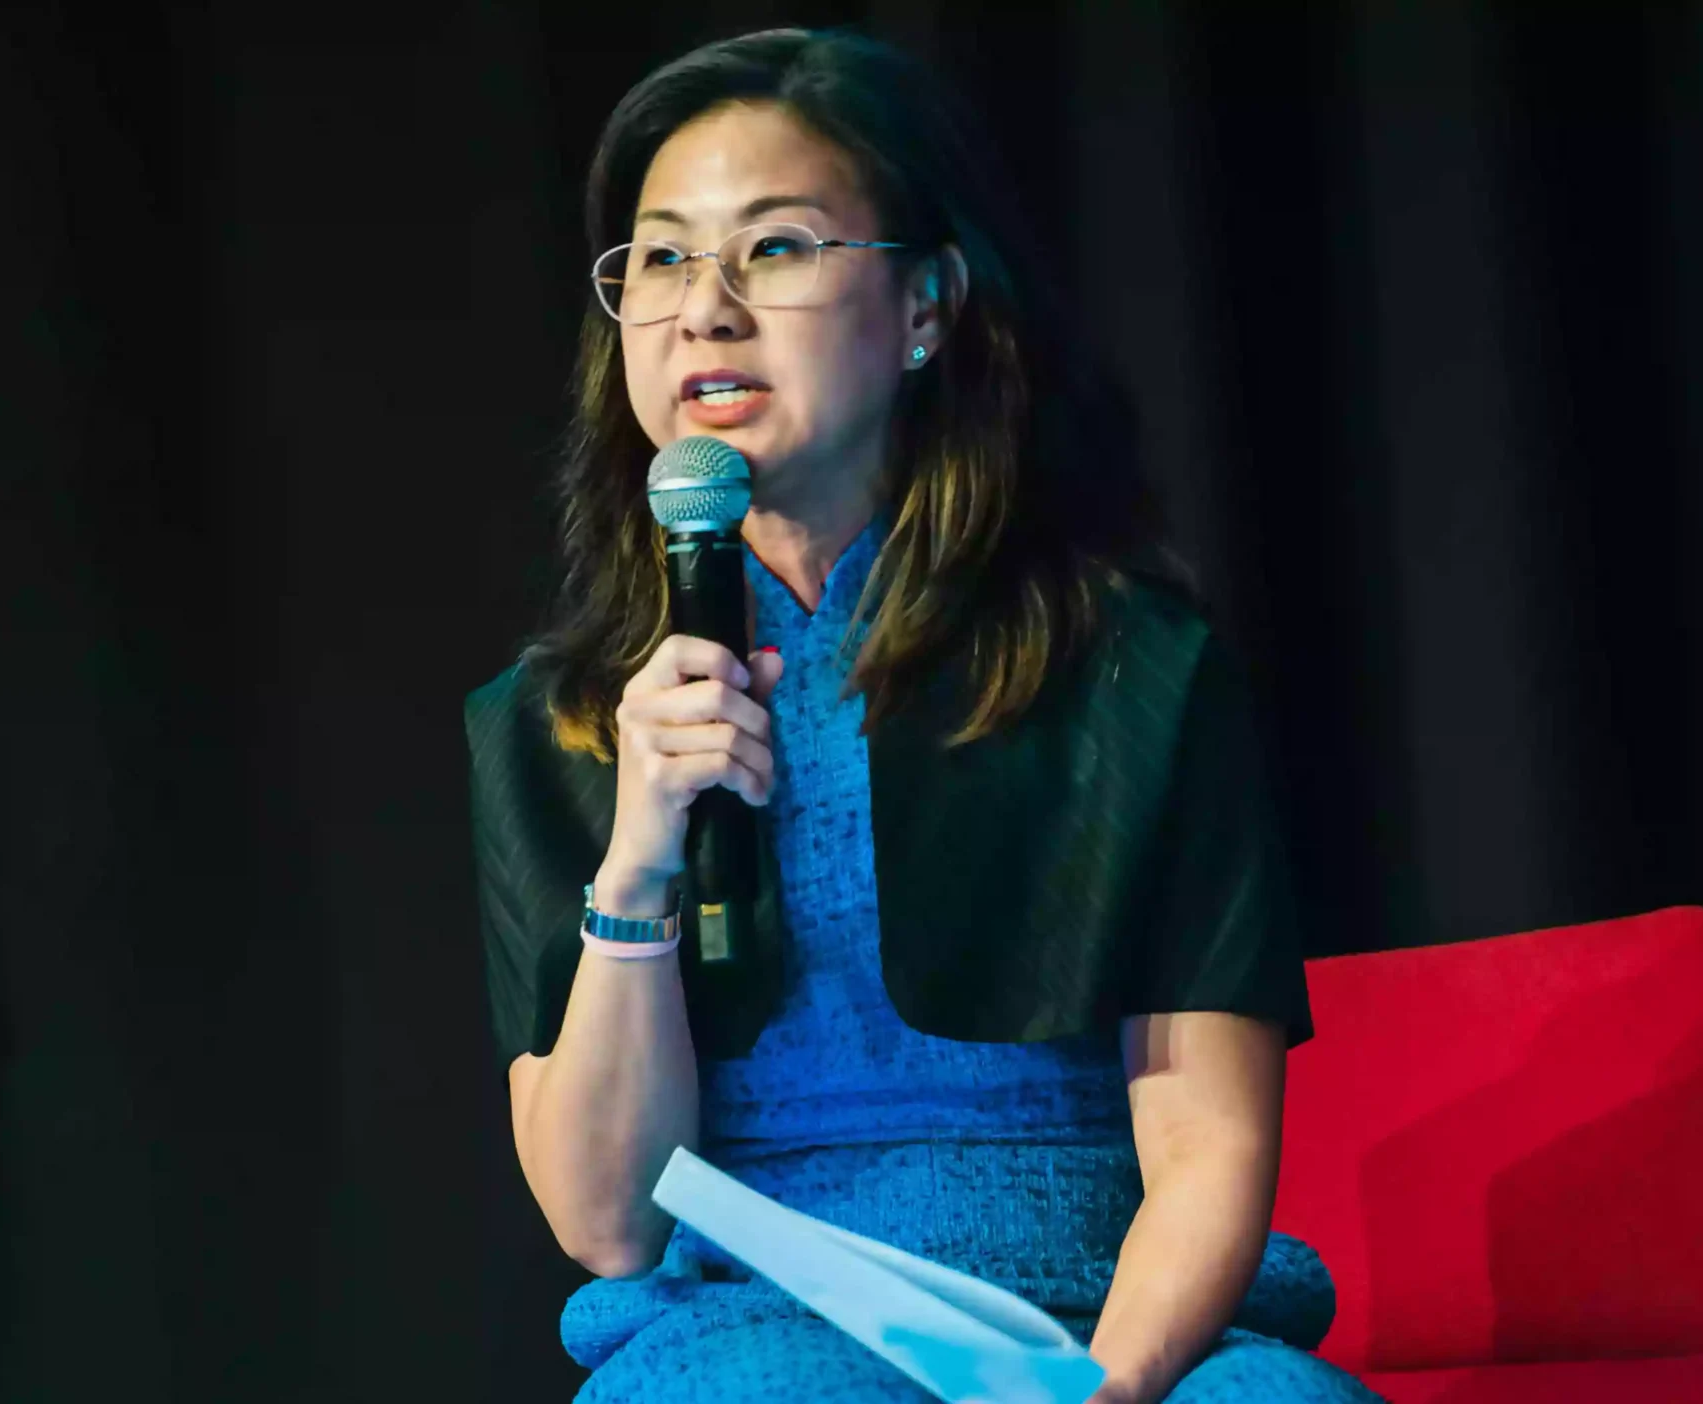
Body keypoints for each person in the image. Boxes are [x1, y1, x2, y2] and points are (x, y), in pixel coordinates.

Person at [464, 25, 1382, 1404]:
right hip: (758, 1317)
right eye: (661, 259)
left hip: (1109, 1305)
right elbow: (608, 1223)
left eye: (775, 246)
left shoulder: (1129, 668)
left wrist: (1106, 1391)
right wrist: (639, 861)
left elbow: (1206, 1146)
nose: (705, 309)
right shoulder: (565, 722)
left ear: (927, 307)